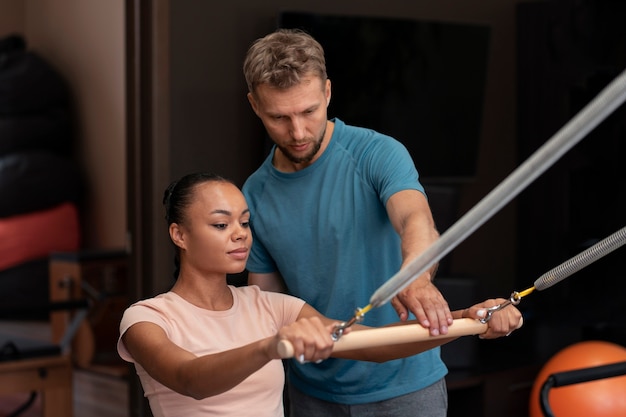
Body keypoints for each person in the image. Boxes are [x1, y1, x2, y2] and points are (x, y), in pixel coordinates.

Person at [117, 172, 523, 417]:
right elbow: (192, 380)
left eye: (244, 221)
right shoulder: (147, 319)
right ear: (179, 234)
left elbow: (371, 346)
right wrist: (271, 347)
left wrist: (470, 318)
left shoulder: (272, 307)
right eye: (221, 225)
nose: (240, 233)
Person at [242, 28, 475, 416]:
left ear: (328, 93)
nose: (298, 132)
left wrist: (414, 276)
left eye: (309, 111)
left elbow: (415, 218)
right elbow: (267, 303)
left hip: (406, 388)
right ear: (254, 106)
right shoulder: (254, 194)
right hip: (311, 393)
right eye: (279, 117)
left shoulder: (377, 153)